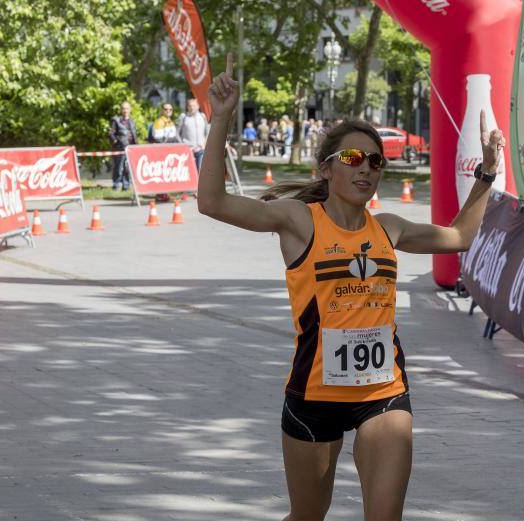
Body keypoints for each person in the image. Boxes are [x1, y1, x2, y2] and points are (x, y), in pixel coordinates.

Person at [197, 53, 505, 521]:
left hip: (383, 392)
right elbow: (212, 202)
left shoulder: (390, 229)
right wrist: (220, 119)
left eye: (375, 161)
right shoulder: (299, 221)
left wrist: (486, 173)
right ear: (326, 169)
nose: (366, 169)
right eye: (352, 158)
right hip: (314, 397)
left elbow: (459, 237)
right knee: (307, 516)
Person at [108, 101, 138, 190]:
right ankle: (116, 185)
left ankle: (126, 186)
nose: (125, 110)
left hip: (130, 148)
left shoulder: (132, 121)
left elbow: (134, 134)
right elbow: (111, 133)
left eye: (127, 108)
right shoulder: (116, 120)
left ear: (130, 110)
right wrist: (115, 141)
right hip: (120, 147)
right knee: (118, 167)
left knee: (127, 168)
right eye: (124, 108)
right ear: (121, 110)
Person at [177, 98, 210, 170]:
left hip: (201, 149)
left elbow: (207, 132)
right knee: (190, 171)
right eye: (190, 106)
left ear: (198, 106)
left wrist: (205, 143)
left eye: (194, 106)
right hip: (188, 149)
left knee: (200, 169)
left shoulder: (202, 116)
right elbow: (177, 133)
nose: (192, 108)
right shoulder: (183, 117)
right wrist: (182, 144)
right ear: (187, 107)